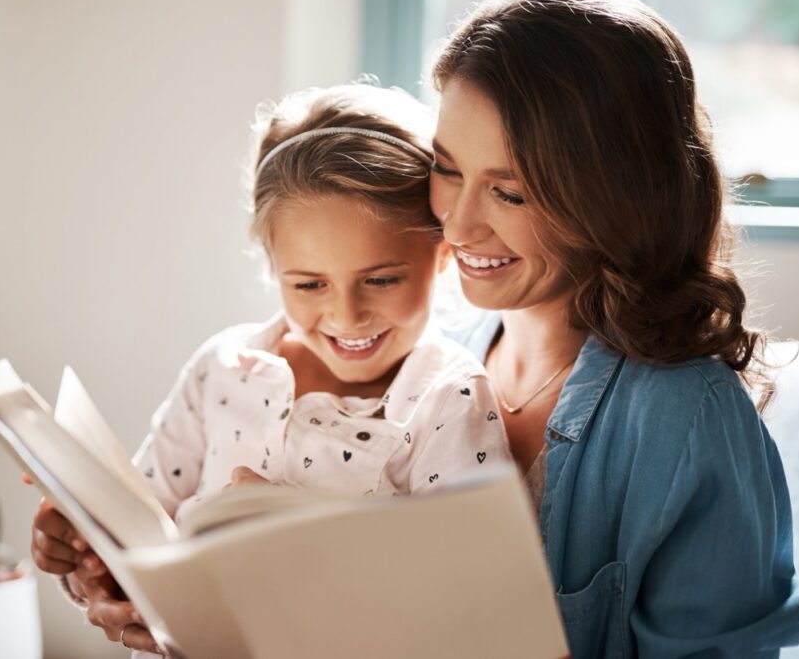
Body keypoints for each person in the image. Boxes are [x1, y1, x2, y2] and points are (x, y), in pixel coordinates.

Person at [30, 83, 510, 655]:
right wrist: (86, 553)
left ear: (442, 256)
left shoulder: (446, 399)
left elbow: (469, 611)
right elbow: (144, 524)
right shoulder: (222, 370)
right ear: (273, 266)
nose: (346, 315)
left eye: (381, 280)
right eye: (308, 284)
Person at [427, 0, 799, 655]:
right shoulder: (429, 357)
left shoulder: (687, 417)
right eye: (447, 168)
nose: (456, 224)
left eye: (510, 192)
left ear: (611, 199)